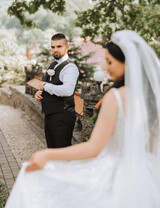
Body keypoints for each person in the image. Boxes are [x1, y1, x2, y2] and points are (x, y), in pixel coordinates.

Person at [5, 30, 160, 208]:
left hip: (118, 172)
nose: (105, 68)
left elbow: (94, 147)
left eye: (109, 62)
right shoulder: (150, 98)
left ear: (128, 63)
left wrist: (46, 154)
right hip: (144, 172)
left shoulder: (115, 97)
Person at [34, 33, 79, 148]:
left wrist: (45, 87)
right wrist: (40, 93)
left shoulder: (70, 68)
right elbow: (50, 85)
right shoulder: (53, 64)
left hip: (62, 117)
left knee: (62, 153)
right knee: (52, 151)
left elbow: (67, 90)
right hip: (50, 115)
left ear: (66, 47)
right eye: (53, 47)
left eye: (59, 46)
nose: (55, 50)